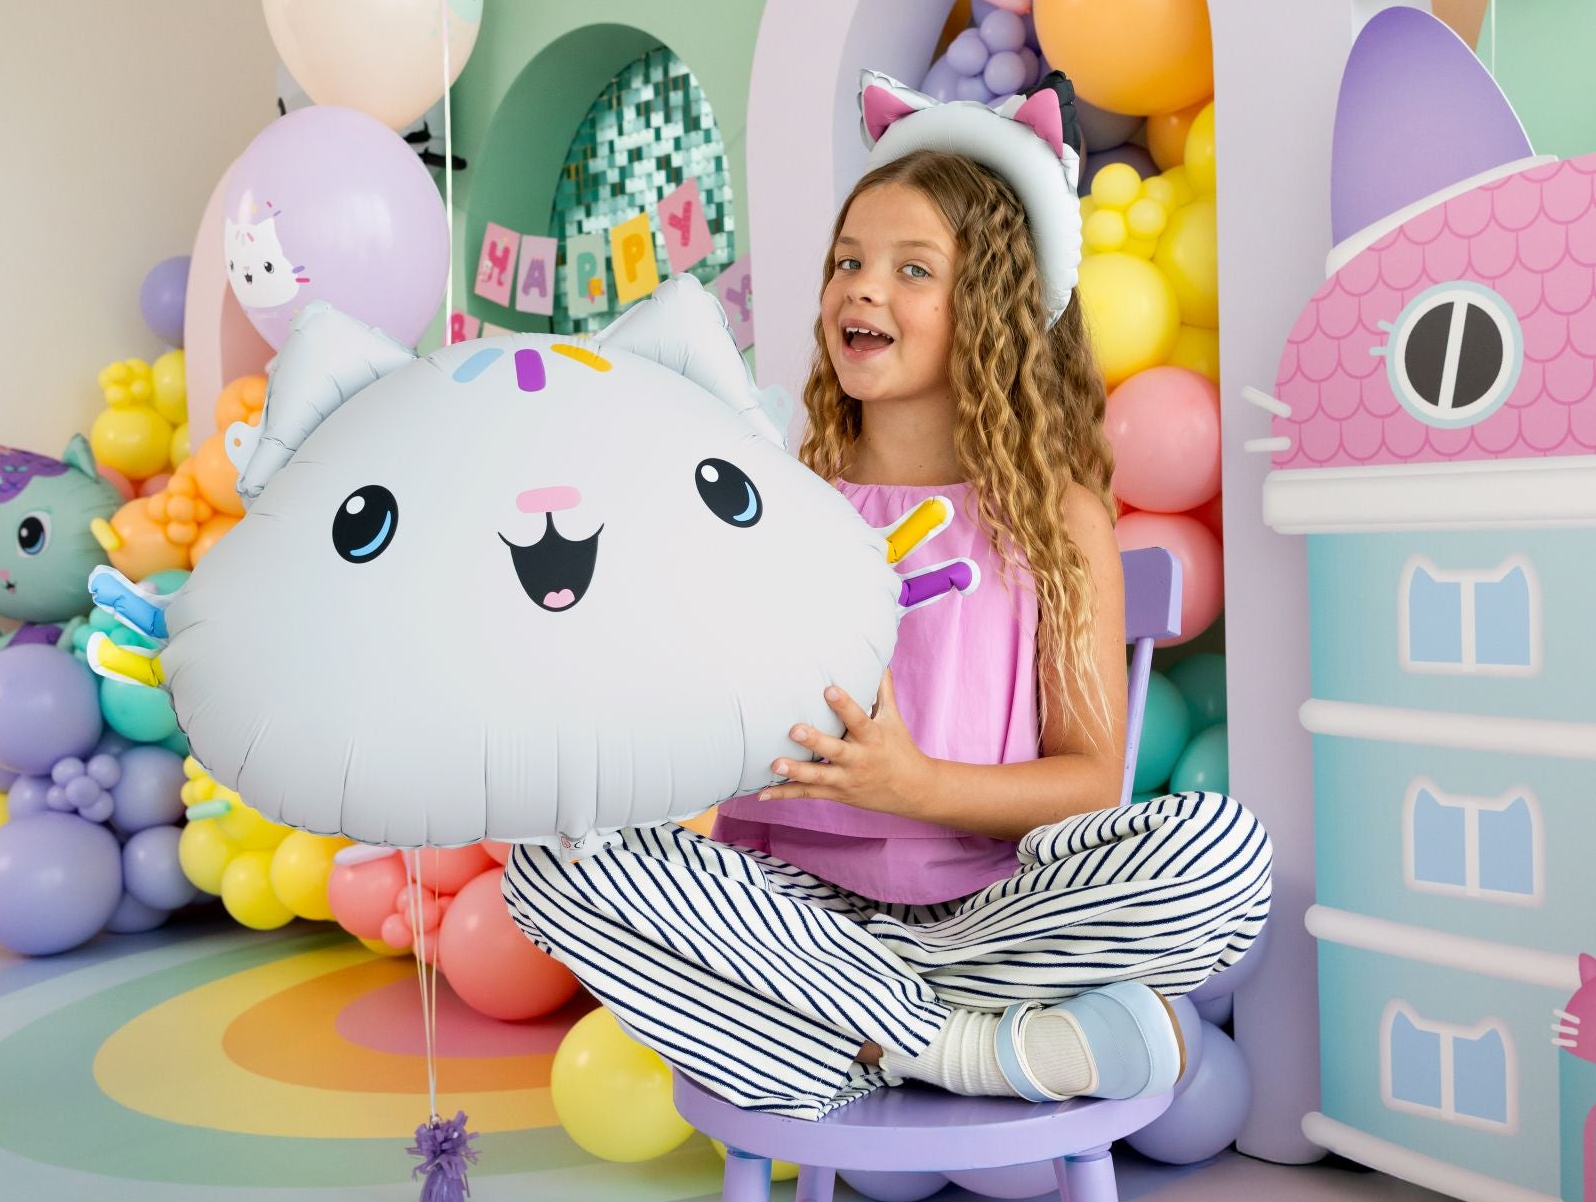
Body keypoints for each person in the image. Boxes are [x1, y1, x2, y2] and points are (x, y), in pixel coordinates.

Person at [504, 71, 1271, 1120]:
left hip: (989, 913)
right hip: (786, 909)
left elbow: (1092, 785)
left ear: (991, 310)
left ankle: (836, 1037)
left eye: (913, 269)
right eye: (848, 263)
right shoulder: (767, 496)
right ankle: (949, 1045)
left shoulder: (1056, 519)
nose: (862, 289)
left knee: (1220, 858)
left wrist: (911, 787)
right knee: (553, 869)